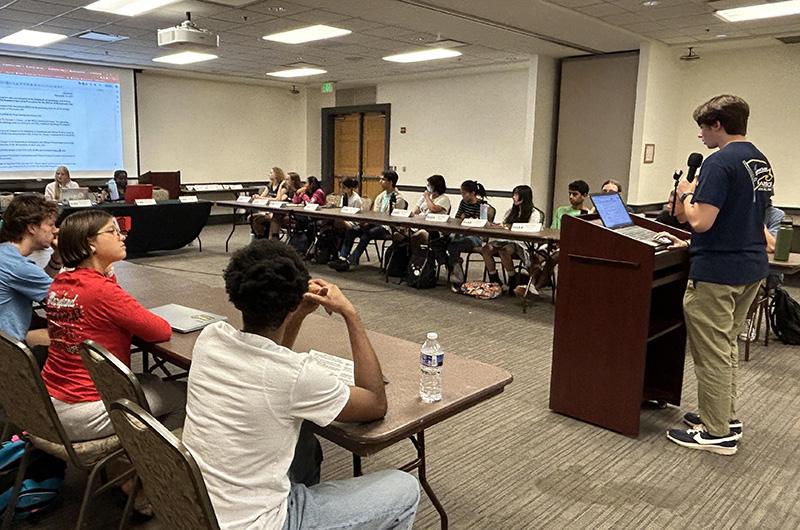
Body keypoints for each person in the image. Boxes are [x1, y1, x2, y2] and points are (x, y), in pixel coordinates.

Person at [181, 240, 420, 530]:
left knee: (305, 443)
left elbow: (272, 355)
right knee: (405, 488)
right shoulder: (296, 377)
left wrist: (299, 313)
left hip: (200, 507)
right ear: (294, 301)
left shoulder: (210, 338)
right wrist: (351, 315)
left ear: (234, 291)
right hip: (258, 523)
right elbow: (375, 403)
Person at [664, 94, 772, 456]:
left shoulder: (719, 162)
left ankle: (716, 433)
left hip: (718, 271)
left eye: (703, 128)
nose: (700, 136)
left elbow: (701, 221)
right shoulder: (759, 161)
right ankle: (724, 416)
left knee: (711, 352)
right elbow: (747, 217)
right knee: (725, 346)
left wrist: (686, 194)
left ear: (718, 125)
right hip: (750, 267)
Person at [41, 210, 186, 442]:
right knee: (184, 396)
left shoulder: (61, 282)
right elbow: (160, 330)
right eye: (112, 231)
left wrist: (108, 275)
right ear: (90, 244)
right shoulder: (102, 291)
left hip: (51, 401)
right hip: (87, 409)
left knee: (152, 381)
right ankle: (148, 459)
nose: (122, 236)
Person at [0, 194, 62, 367]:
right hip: (9, 356)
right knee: (81, 338)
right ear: (32, 228)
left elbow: (39, 284)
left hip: (5, 340)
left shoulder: (5, 253)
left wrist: (57, 257)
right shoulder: (17, 266)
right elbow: (65, 301)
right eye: (51, 224)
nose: (55, 230)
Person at [332, 170, 407, 269]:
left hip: (387, 227)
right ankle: (342, 258)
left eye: (383, 179)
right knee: (352, 231)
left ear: (390, 182)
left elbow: (395, 217)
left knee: (367, 234)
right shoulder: (380, 196)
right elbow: (374, 214)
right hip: (375, 223)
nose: (380, 181)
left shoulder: (398, 198)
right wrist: (366, 223)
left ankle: (351, 260)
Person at [480, 185, 537, 293]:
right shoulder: (511, 211)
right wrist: (497, 226)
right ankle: (494, 278)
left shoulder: (534, 213)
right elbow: (504, 225)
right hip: (505, 240)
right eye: (513, 194)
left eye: (517, 195)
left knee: (504, 250)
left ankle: (512, 279)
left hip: (521, 242)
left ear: (525, 197)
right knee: (486, 249)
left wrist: (511, 228)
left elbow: (531, 229)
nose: (513, 197)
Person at [449, 180, 492, 287]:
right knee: (446, 242)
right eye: (461, 193)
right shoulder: (463, 203)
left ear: (473, 193)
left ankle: (457, 274)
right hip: (463, 233)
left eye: (464, 193)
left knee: (454, 246)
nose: (462, 196)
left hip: (476, 237)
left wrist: (466, 218)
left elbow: (481, 223)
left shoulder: (482, 205)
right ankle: (456, 267)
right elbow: (458, 218)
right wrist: (467, 219)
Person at [250, 167, 287, 238]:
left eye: (271, 173)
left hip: (277, 212)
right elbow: (262, 197)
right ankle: (261, 237)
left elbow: (278, 199)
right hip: (268, 211)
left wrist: (262, 198)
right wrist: (257, 197)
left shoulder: (283, 187)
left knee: (271, 220)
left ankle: (270, 238)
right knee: (252, 218)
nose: (269, 174)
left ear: (277, 174)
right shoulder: (269, 186)